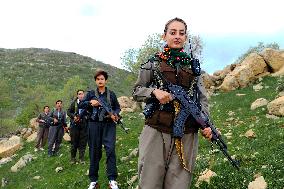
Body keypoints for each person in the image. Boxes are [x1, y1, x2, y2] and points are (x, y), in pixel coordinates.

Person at [133, 17, 213, 189]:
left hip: (187, 133)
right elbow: (137, 91)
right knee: (149, 182)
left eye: (181, 33)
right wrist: (154, 92)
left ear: (185, 37)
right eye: (173, 32)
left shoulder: (193, 68)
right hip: (156, 130)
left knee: (179, 184)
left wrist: (206, 124)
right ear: (164, 36)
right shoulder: (152, 64)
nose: (177, 36)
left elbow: (202, 99)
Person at [79, 70, 121, 189]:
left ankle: (112, 180)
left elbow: (117, 107)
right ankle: (93, 181)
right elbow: (81, 105)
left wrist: (115, 114)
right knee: (94, 152)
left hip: (109, 125)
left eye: (102, 79)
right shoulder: (91, 93)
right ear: (95, 81)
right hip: (94, 125)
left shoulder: (111, 94)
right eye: (98, 79)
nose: (100, 81)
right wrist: (90, 102)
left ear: (106, 80)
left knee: (111, 150)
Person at [67, 89, 88, 164]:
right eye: (79, 94)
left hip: (84, 125)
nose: (81, 95)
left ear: (84, 95)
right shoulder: (74, 103)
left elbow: (90, 112)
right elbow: (68, 111)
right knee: (74, 142)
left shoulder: (87, 103)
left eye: (82, 94)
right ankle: (73, 158)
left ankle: (81, 158)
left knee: (83, 142)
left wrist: (86, 117)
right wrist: (74, 117)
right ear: (77, 95)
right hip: (74, 126)